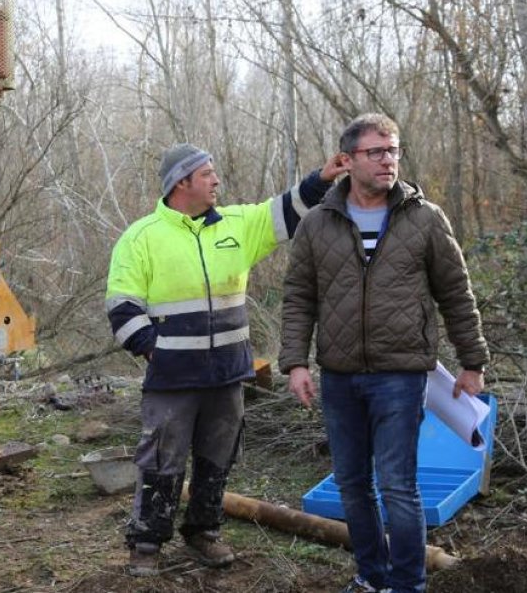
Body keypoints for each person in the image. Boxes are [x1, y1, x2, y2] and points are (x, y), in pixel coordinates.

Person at [106, 142, 348, 576]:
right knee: (161, 459)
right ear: (181, 183)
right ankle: (147, 541)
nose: (217, 181)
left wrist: (322, 178)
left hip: (226, 377)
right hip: (172, 381)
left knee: (219, 457)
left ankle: (204, 531)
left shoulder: (237, 224)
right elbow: (122, 307)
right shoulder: (142, 237)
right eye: (206, 174)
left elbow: (286, 211)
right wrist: (154, 351)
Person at [279, 113, 489, 593]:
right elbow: (298, 298)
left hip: (401, 374)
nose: (388, 160)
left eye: (393, 150)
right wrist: (294, 362)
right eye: (376, 152)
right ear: (348, 160)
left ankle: (408, 584)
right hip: (339, 375)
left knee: (398, 487)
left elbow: (457, 294)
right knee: (351, 485)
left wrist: (472, 363)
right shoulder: (317, 224)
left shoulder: (426, 218)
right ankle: (372, 577)